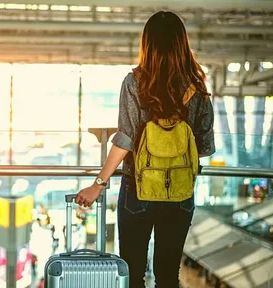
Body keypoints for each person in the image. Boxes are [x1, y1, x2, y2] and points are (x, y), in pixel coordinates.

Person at [75, 11, 215, 288]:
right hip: (179, 194)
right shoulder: (197, 87)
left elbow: (124, 139)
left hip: (137, 189)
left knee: (133, 273)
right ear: (181, 43)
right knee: (167, 276)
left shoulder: (135, 82)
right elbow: (204, 146)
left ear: (147, 44)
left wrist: (98, 184)